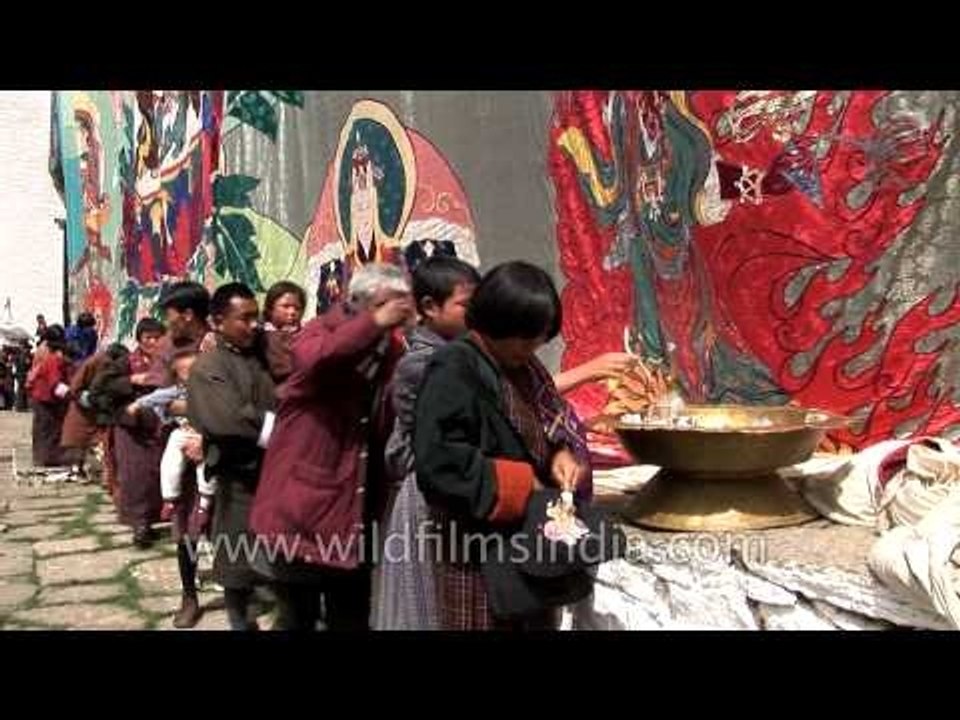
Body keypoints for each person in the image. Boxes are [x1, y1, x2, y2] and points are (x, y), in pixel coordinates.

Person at [413, 261, 592, 630]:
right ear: (495, 322)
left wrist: (559, 453)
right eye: (526, 339)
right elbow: (439, 461)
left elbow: (546, 422)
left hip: (530, 542)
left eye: (540, 339)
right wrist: (522, 484)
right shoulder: (455, 366)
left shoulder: (526, 366)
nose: (533, 348)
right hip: (477, 547)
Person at [250, 263, 415, 631]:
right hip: (301, 509)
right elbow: (314, 361)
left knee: (352, 616)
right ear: (363, 301)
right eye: (392, 304)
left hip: (353, 509)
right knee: (297, 616)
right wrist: (374, 322)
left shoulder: (390, 347)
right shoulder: (320, 330)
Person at [373, 256, 480, 631]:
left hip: (450, 487)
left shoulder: (461, 353)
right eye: (466, 305)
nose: (477, 313)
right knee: (427, 602)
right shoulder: (423, 363)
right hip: (427, 494)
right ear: (430, 308)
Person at [187, 282, 277, 631]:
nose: (253, 325)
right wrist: (278, 430)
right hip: (238, 479)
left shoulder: (260, 357)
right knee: (237, 568)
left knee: (275, 562)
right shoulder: (209, 366)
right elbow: (228, 421)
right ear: (219, 321)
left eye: (257, 317)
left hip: (273, 475)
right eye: (245, 318)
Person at [141, 281, 214, 629]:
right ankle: (189, 594)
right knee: (185, 527)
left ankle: (239, 590)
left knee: (229, 521)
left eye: (170, 316)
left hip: (224, 445)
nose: (166, 325)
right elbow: (162, 402)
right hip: (185, 445)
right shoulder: (169, 349)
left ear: (188, 315)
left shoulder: (220, 341)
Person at [128, 349, 213, 523]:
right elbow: (156, 398)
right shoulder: (176, 391)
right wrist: (137, 404)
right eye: (187, 373)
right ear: (179, 377)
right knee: (170, 461)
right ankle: (169, 498)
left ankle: (205, 503)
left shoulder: (211, 388)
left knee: (206, 467)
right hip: (183, 431)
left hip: (206, 432)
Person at [113, 318, 166, 548]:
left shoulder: (168, 360)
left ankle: (154, 519)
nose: (153, 342)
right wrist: (133, 379)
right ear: (139, 340)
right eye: (148, 338)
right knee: (136, 476)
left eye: (157, 337)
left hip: (161, 425)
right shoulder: (125, 361)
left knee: (158, 474)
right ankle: (139, 525)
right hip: (132, 428)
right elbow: (105, 385)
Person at [26, 326, 75, 467]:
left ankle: (41, 457)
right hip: (45, 398)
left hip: (43, 396)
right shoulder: (53, 360)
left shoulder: (47, 353)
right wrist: (72, 395)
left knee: (44, 429)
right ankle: (47, 458)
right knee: (48, 429)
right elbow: (55, 384)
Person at [261, 280, 306, 384]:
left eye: (297, 308)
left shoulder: (306, 333)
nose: (292, 312)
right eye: (285, 306)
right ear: (270, 309)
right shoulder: (262, 337)